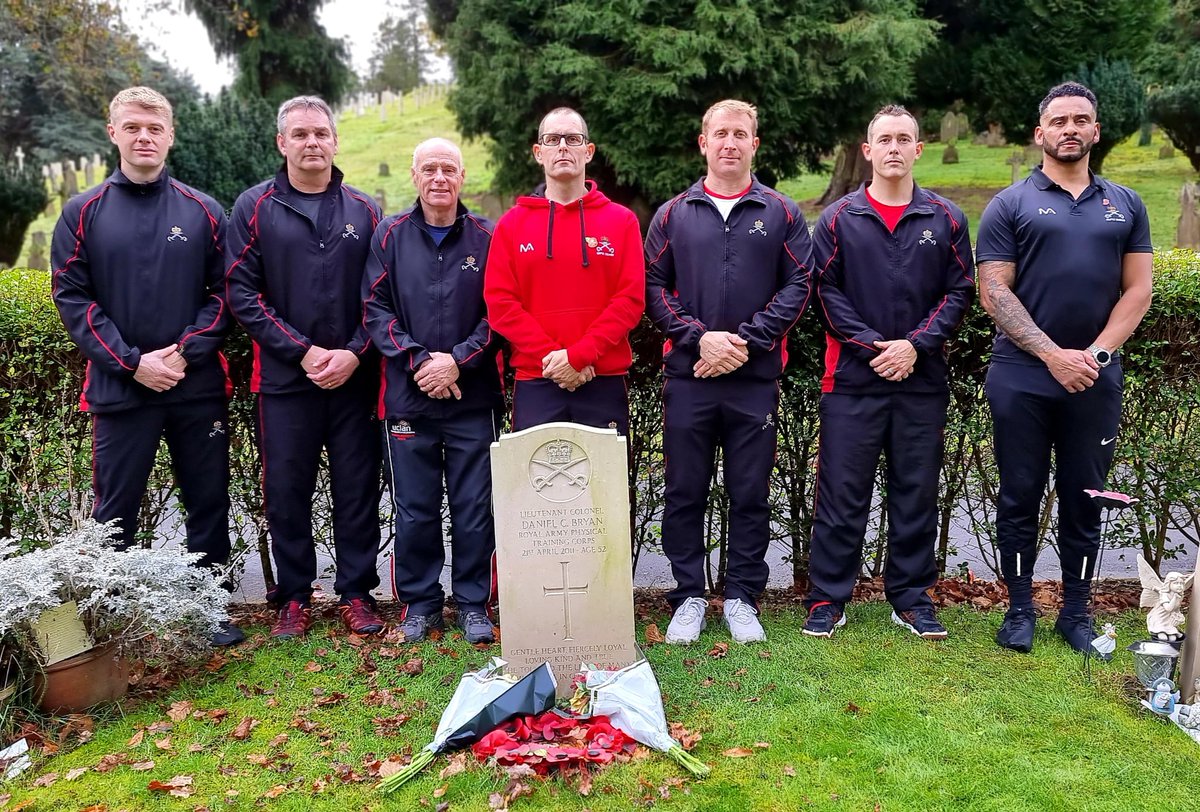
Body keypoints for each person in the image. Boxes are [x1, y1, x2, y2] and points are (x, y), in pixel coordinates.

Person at [51, 86, 243, 646]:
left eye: (154, 128)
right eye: (132, 127)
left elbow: (224, 295)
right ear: (112, 132)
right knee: (116, 510)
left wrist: (182, 354)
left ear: (170, 135)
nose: (144, 137)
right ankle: (115, 621)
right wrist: (133, 363)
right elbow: (74, 298)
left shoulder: (203, 210)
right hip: (120, 390)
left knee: (207, 499)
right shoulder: (81, 212)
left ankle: (208, 612)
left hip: (195, 386)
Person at [976, 82, 1153, 653]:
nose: (1070, 128)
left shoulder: (1125, 203)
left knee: (1086, 495)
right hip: (1022, 374)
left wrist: (1094, 356)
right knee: (1020, 493)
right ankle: (1020, 609)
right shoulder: (1011, 203)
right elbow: (993, 291)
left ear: (1096, 131)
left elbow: (1139, 290)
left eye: (1081, 120)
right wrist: (1053, 355)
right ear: (1040, 133)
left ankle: (1075, 613)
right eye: (1059, 121)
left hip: (1095, 376)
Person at [802, 105, 975, 640]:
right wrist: (878, 346)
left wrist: (916, 347)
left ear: (918, 150)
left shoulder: (945, 218)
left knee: (915, 491)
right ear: (868, 150)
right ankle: (828, 599)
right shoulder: (837, 219)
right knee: (842, 494)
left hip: (921, 381)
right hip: (853, 380)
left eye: (905, 139)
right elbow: (823, 291)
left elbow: (960, 290)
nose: (895, 148)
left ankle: (911, 598)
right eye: (885, 139)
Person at [645, 99, 813, 645]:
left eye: (741, 134)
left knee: (749, 492)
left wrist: (746, 340)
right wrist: (700, 339)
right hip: (690, 378)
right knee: (685, 490)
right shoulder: (673, 214)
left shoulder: (782, 213)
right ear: (703, 142)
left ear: (754, 144)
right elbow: (652, 288)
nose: (730, 143)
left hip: (754, 378)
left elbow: (799, 285)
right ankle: (689, 595)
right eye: (720, 134)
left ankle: (742, 596)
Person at [225, 96, 384, 639]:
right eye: (300, 134)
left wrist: (354, 351)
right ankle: (293, 596)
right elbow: (242, 292)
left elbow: (383, 295)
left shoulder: (365, 211)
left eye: (320, 133)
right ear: (282, 143)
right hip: (285, 382)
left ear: (335, 141)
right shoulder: (254, 206)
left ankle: (358, 593)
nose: (311, 142)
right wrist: (303, 350)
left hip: (353, 380)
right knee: (287, 491)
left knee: (357, 489)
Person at [362, 138, 501, 644]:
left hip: (473, 398)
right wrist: (422, 360)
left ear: (462, 176)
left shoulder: (488, 236)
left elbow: (500, 313)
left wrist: (457, 361)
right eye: (429, 169)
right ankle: (420, 604)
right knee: (415, 508)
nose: (439, 178)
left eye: (448, 168)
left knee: (474, 505)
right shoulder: (389, 235)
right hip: (408, 397)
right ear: (414, 176)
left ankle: (472, 604)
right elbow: (374, 309)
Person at [483, 107, 644, 434]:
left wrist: (580, 356)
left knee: (605, 486)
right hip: (537, 382)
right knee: (538, 486)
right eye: (552, 139)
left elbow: (629, 300)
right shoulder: (511, 226)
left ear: (588, 150)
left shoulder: (622, 221)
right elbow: (501, 305)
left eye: (572, 139)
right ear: (538, 153)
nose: (563, 147)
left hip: (603, 379)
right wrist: (556, 360)